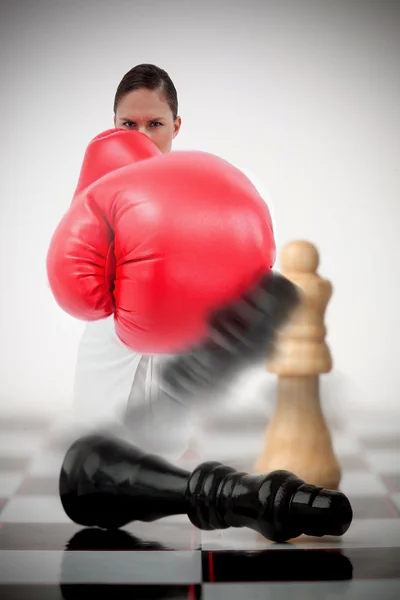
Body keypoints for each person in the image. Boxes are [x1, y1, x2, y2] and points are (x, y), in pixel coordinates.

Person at [69, 64, 278, 461]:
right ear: (112, 123)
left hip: (173, 351)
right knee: (89, 457)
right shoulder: (99, 183)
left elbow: (241, 262)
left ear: (177, 125)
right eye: (128, 124)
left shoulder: (201, 185)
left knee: (168, 459)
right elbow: (76, 272)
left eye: (155, 124)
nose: (141, 136)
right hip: (109, 347)